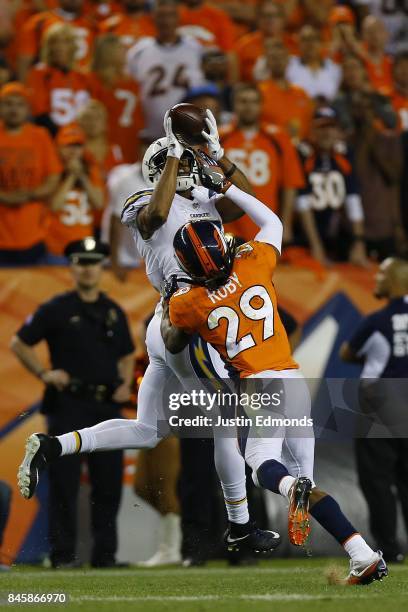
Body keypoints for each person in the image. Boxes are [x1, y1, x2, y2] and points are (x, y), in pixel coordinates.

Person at [17, 109, 281, 558]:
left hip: (183, 320)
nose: (193, 168)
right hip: (181, 317)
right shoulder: (141, 199)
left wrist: (217, 155)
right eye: (183, 162)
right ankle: (240, 526)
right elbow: (155, 216)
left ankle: (53, 445)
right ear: (164, 166)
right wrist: (177, 156)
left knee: (146, 430)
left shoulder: (202, 197)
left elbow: (243, 202)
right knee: (226, 420)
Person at [160, 209, 388, 585]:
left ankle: (287, 486)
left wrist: (170, 301)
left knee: (260, 463)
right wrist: (227, 182)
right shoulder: (253, 264)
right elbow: (274, 224)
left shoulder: (191, 303)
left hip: (260, 385)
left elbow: (172, 340)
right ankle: (362, 554)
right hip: (293, 378)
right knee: (306, 484)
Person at [12, 237, 135, 568]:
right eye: (81, 262)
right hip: (68, 406)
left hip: (106, 406)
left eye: (93, 263)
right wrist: (44, 372)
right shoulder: (56, 309)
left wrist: (125, 383)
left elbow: (127, 355)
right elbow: (19, 343)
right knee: (64, 485)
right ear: (72, 268)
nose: (88, 269)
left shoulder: (113, 311)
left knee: (108, 486)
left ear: (100, 268)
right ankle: (63, 555)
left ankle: (105, 556)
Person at [340, 257, 408, 563]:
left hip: (380, 403)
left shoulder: (377, 320)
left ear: (396, 281)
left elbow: (347, 352)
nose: (376, 278)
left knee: (377, 480)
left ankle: (390, 550)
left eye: (382, 273)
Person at [221, 83, 304, 244]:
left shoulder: (278, 138)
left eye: (253, 102)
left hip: (263, 223)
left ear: (261, 105)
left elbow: (290, 183)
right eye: (243, 101)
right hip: (227, 223)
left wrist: (286, 223)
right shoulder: (219, 136)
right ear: (234, 105)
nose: (248, 107)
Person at [295, 106, 367, 266]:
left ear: (339, 131)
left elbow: (353, 198)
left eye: (331, 127)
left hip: (334, 232)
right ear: (312, 130)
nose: (327, 133)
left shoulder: (344, 153)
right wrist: (316, 245)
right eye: (321, 127)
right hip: (304, 234)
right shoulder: (302, 154)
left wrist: (359, 243)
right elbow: (302, 203)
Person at [0, 82, 61, 265]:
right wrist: (4, 197)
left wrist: (28, 195)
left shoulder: (40, 136)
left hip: (34, 234)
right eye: (8, 104)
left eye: (20, 104)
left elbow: (53, 178)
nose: (14, 109)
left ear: (28, 109)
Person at [126, 0, 204, 141]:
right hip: (150, 132)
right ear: (153, 17)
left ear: (178, 17)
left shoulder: (195, 48)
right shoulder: (138, 51)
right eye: (161, 15)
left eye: (171, 15)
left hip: (187, 132)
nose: (166, 21)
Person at [46, 124, 104, 257]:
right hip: (56, 248)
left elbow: (98, 203)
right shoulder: (52, 170)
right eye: (68, 145)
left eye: (78, 146)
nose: (73, 151)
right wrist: (72, 176)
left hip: (84, 246)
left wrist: (82, 176)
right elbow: (54, 206)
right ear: (58, 147)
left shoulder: (91, 170)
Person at [88, 34, 145, 163]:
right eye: (120, 48)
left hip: (130, 138)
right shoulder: (94, 82)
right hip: (106, 138)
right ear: (109, 52)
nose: (125, 51)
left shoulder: (132, 83)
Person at [26, 22, 90, 134]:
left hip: (80, 139)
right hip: (53, 137)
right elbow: (40, 114)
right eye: (54, 42)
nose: (59, 47)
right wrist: (63, 137)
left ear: (73, 46)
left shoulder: (83, 76)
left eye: (65, 41)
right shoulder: (40, 73)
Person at [17, 0, 95, 81]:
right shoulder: (39, 23)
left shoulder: (92, 26)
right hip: (47, 84)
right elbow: (25, 62)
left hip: (82, 85)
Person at [259, 38, 314, 142]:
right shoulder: (260, 92)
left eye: (282, 57)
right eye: (274, 58)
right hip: (272, 147)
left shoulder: (301, 93)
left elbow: (309, 124)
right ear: (267, 62)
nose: (278, 62)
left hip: (300, 148)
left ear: (288, 60)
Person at [287, 24, 342, 101]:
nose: (310, 44)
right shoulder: (289, 65)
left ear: (322, 43)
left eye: (314, 39)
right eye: (305, 40)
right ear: (298, 43)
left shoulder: (334, 69)